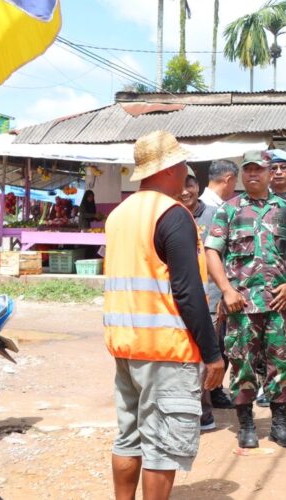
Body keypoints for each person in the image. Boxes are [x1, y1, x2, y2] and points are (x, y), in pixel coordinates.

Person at [104, 130, 225, 500]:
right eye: (183, 164)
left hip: (126, 347)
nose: (187, 171)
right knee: (162, 448)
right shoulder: (173, 215)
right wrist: (213, 354)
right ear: (170, 168)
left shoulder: (119, 214)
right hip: (166, 351)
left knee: (128, 438)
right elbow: (189, 294)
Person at [204, 150, 286, 450]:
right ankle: (246, 425)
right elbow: (212, 252)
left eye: (259, 169)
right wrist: (226, 290)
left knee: (280, 363)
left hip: (279, 304)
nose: (253, 174)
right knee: (241, 363)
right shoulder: (229, 210)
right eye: (248, 170)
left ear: (271, 173)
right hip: (241, 305)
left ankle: (279, 425)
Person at [178, 170, 230, 429]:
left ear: (198, 186)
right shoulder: (171, 214)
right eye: (180, 186)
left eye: (189, 185)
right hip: (177, 299)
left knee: (205, 356)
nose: (185, 191)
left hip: (209, 298)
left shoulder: (214, 215)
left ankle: (204, 414)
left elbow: (225, 256)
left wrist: (224, 293)